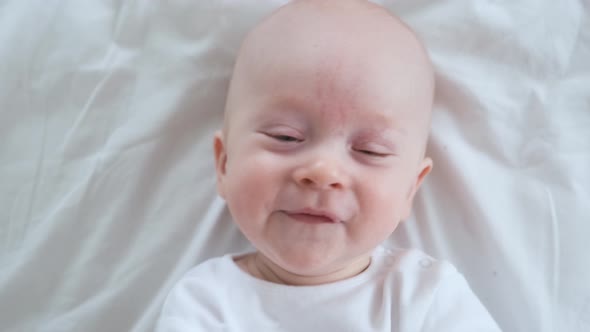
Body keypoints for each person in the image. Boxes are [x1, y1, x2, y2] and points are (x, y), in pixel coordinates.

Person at [157, 0, 501, 330]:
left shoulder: (425, 297)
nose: (323, 171)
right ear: (224, 164)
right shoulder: (206, 301)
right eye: (286, 137)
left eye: (370, 150)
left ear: (410, 189)